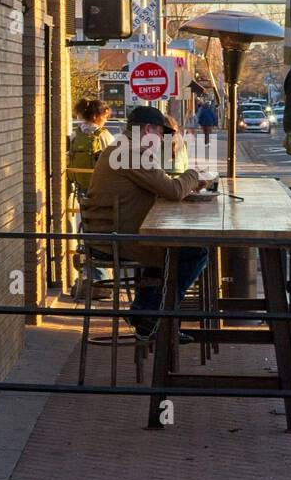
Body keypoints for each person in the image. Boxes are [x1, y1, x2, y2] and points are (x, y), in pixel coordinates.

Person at [86, 105, 211, 341]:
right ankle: (157, 319)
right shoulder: (131, 153)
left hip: (112, 234)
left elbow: (160, 184)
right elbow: (173, 190)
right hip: (119, 239)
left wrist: (185, 183)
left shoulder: (122, 148)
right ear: (148, 129)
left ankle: (144, 314)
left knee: (168, 252)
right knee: (196, 251)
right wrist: (194, 175)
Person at [69, 99, 116, 295]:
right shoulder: (104, 136)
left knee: (88, 227)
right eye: (105, 116)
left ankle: (93, 277)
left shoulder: (76, 133)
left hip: (82, 187)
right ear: (98, 116)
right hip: (102, 189)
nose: (105, 121)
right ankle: (100, 281)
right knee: (104, 231)